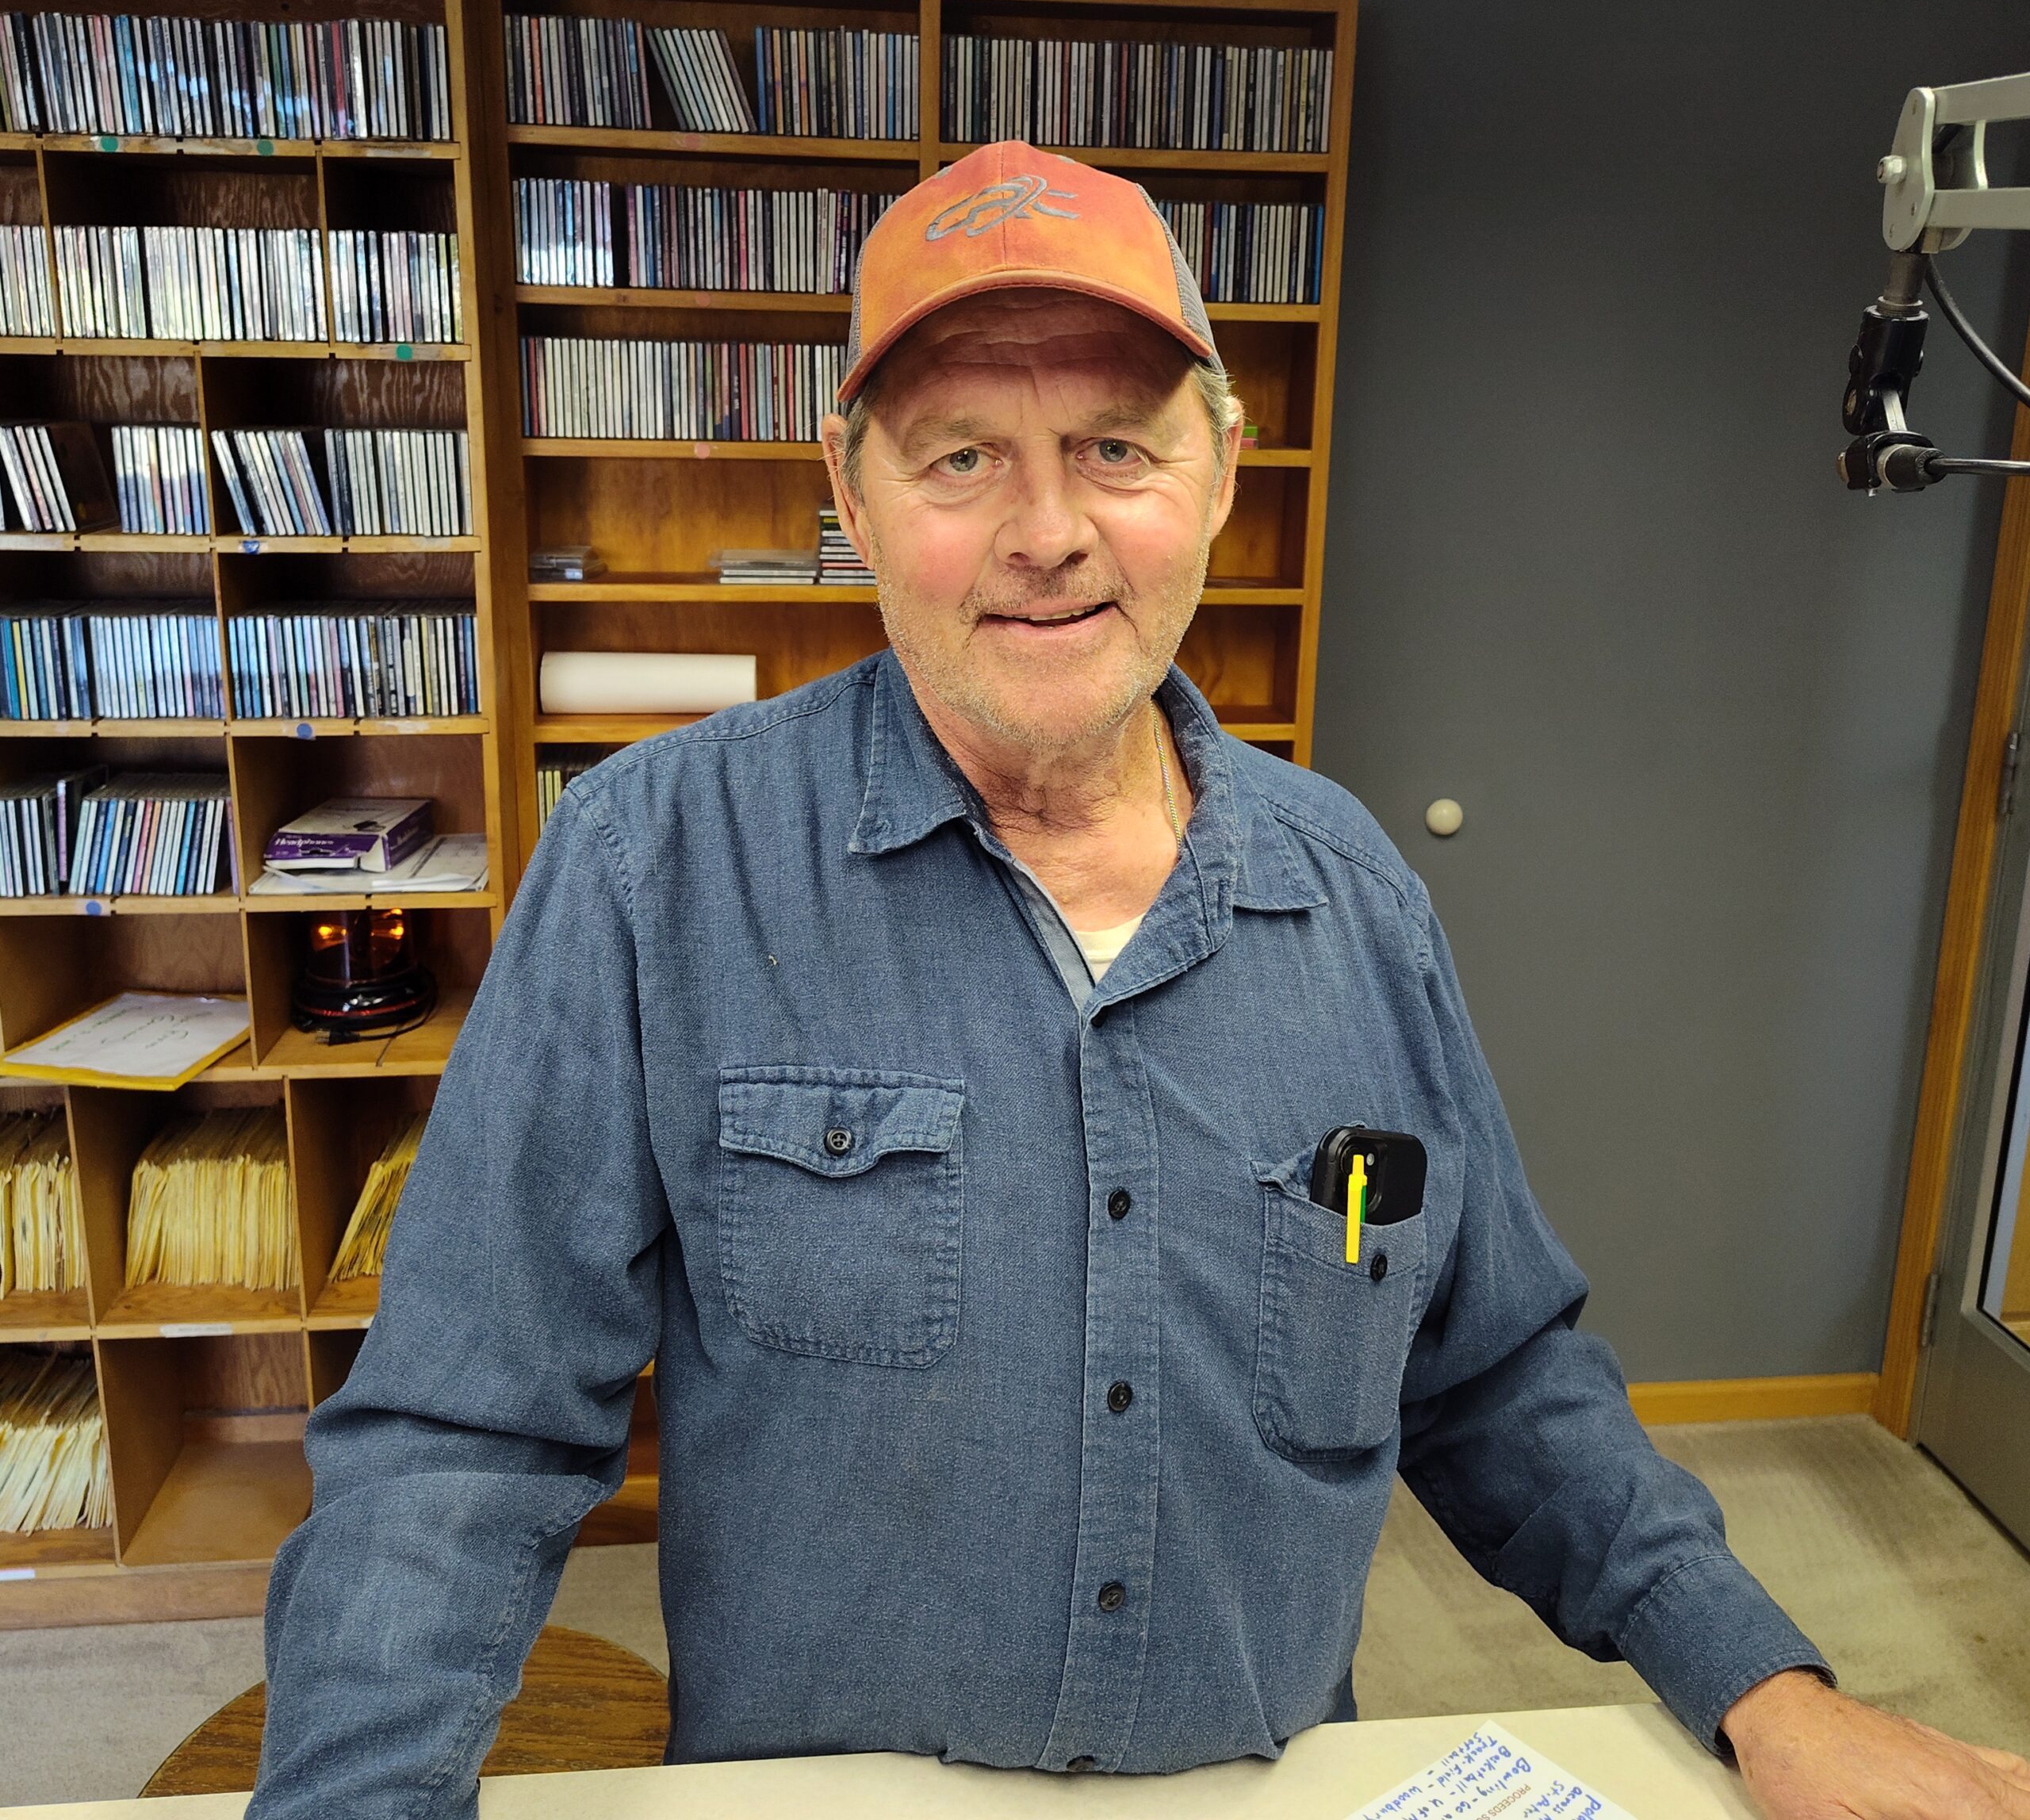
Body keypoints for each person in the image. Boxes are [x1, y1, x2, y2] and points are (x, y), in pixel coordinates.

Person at [247, 141, 2030, 1818]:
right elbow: (461, 1436)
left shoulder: (1355, 899)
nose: (1046, 531)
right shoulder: (654, 868)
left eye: (1114, 446)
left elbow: (1490, 1376)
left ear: (1221, 472)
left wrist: (1762, 1684)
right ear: (849, 494)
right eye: (960, 458)